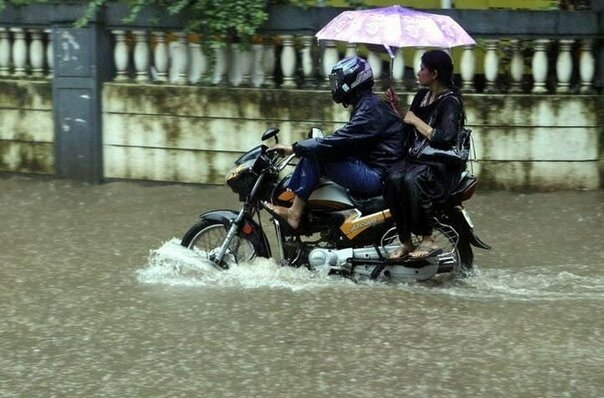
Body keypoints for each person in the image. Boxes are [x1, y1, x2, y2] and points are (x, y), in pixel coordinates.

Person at [264, 56, 404, 230]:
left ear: (352, 81)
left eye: (338, 81)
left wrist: (293, 148)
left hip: (377, 176)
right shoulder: (367, 104)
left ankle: (294, 213)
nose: (335, 86)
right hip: (375, 168)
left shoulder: (370, 108)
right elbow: (348, 141)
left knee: (318, 155)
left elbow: (342, 140)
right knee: (319, 150)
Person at [384, 49, 467, 259]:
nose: (418, 73)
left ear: (435, 74)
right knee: (392, 177)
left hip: (440, 165)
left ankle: (428, 239)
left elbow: (445, 137)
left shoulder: (451, 102)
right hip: (418, 159)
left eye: (422, 68)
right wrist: (394, 106)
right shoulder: (422, 95)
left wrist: (414, 120)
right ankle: (405, 241)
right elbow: (409, 122)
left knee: (411, 180)